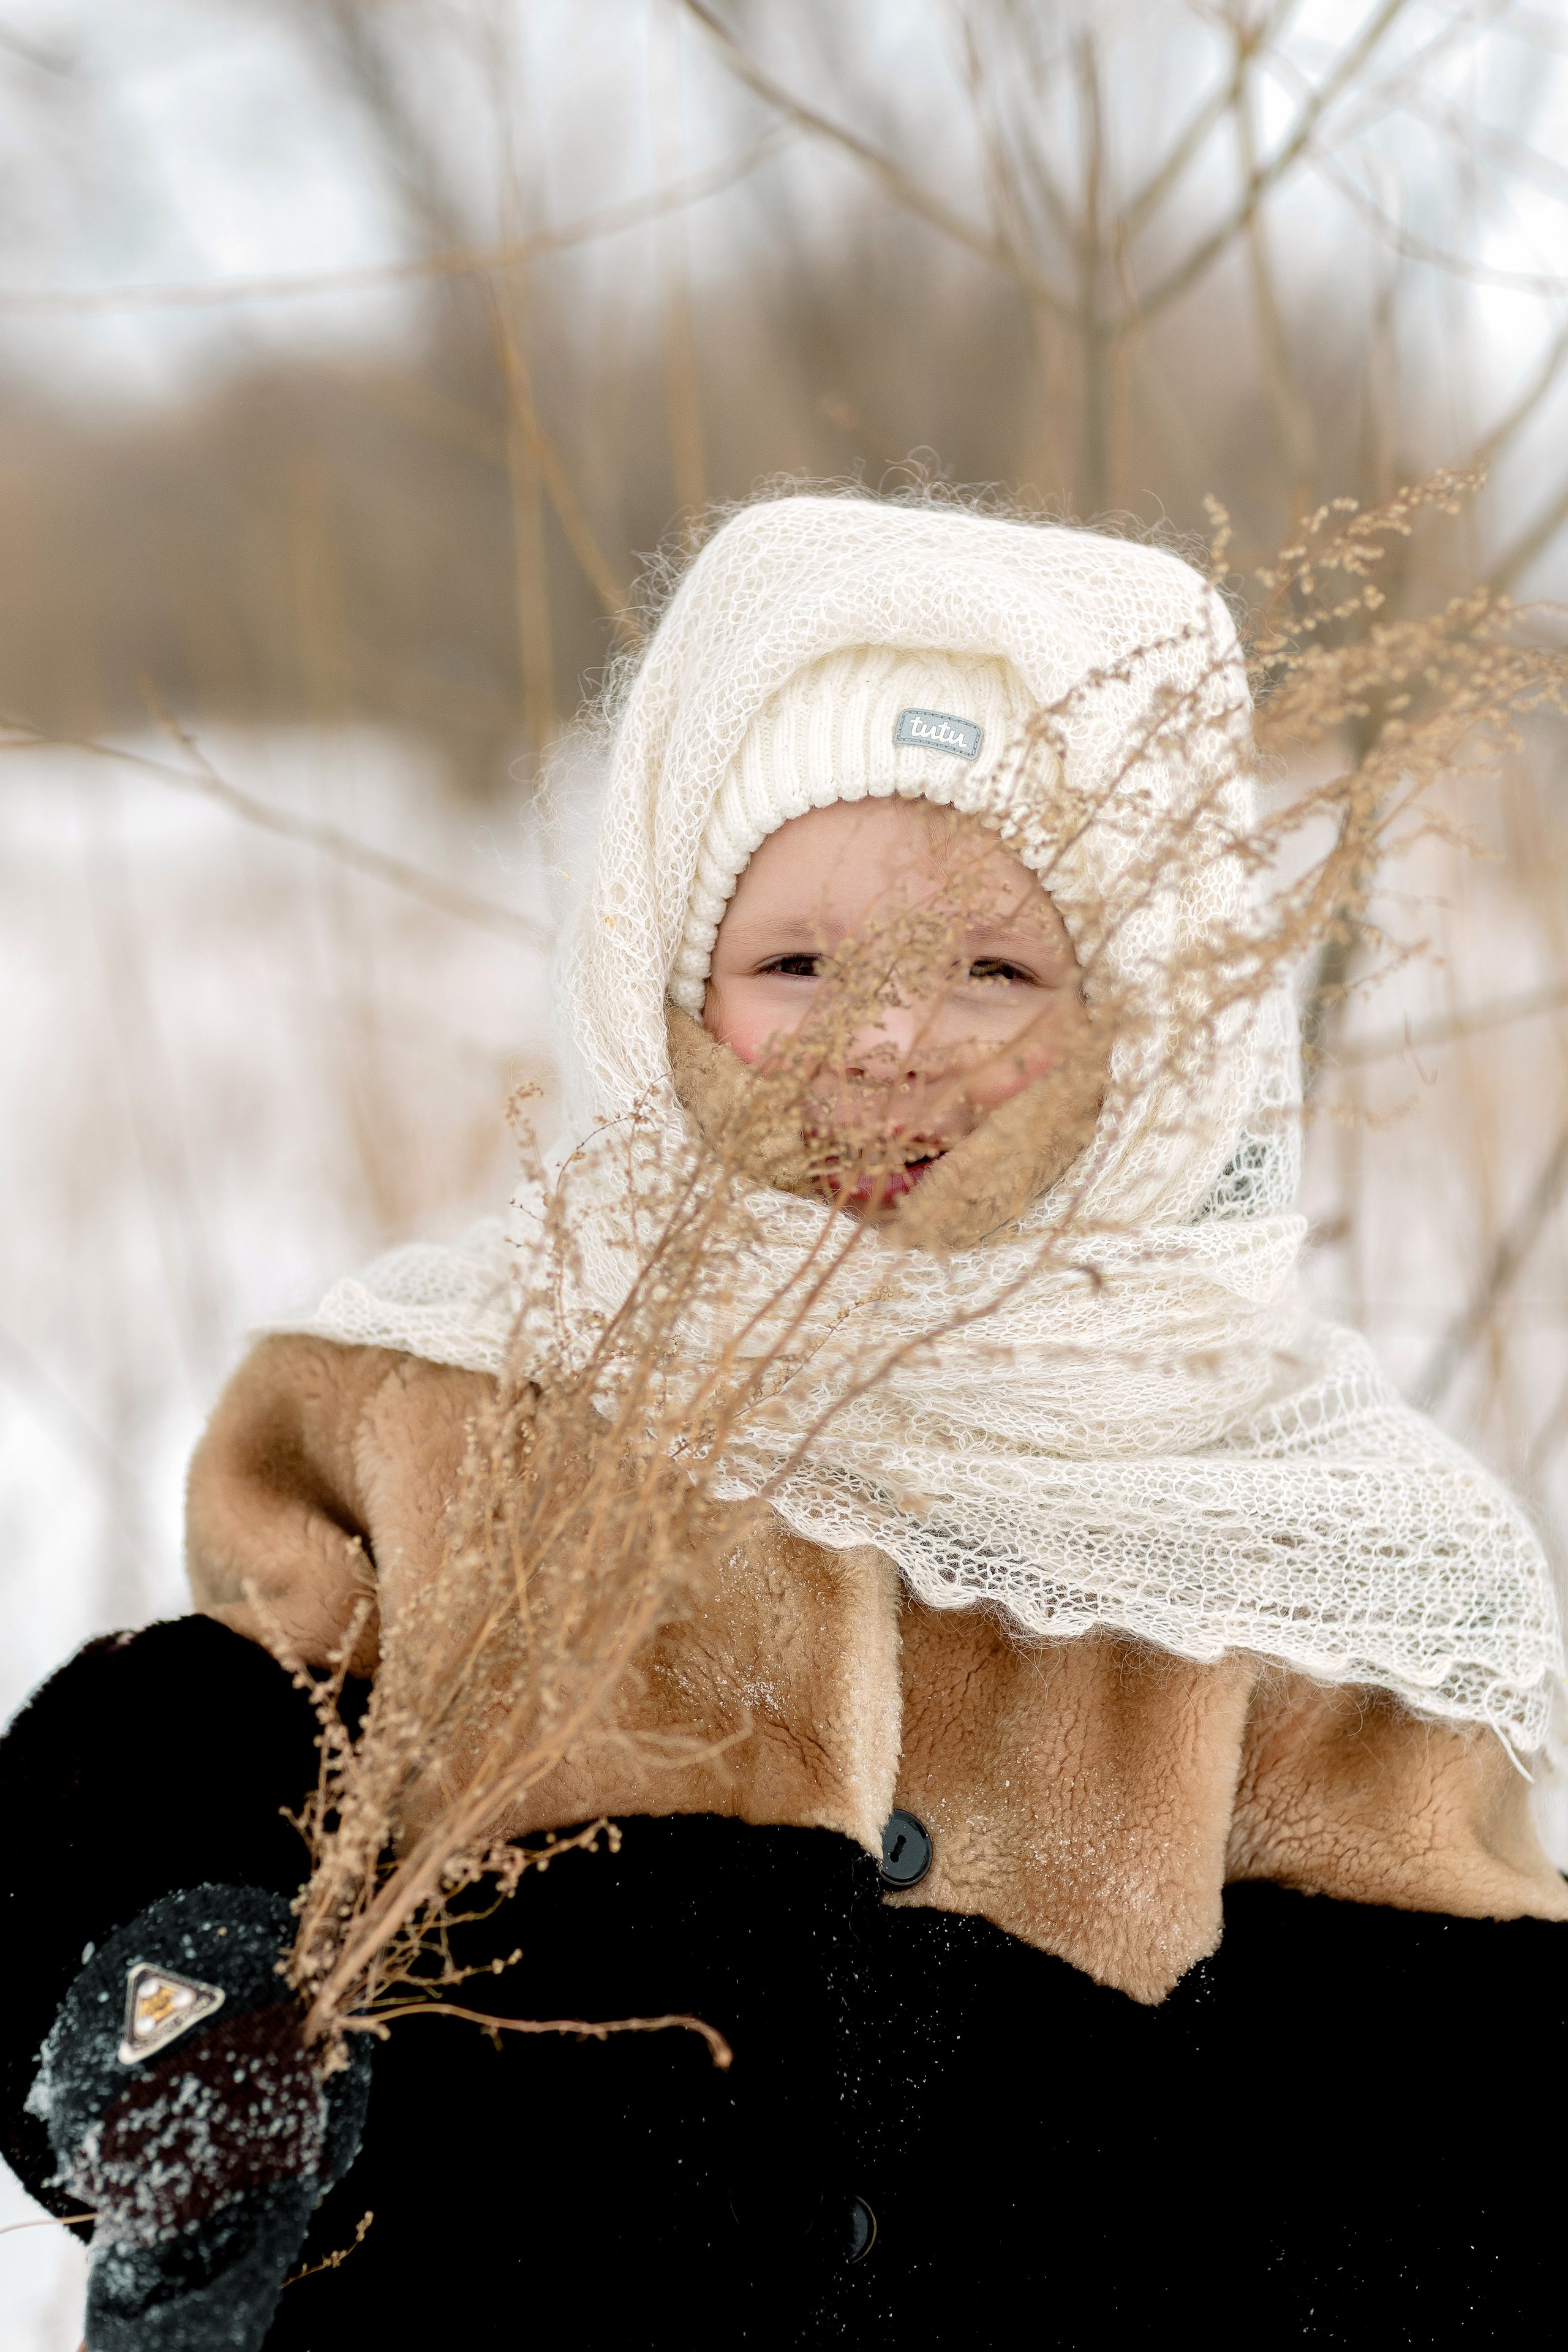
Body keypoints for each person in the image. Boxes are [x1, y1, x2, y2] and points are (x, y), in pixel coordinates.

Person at [5, 493, 1566, 2351]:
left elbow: (1453, 2127)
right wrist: (179, 1979)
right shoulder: (468, 1411)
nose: (883, 1045)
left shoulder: (1294, 1540)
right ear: (671, 988)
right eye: (800, 968)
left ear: (1147, 1026)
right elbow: (214, 1734)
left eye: (991, 970)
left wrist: (1003, 2113)